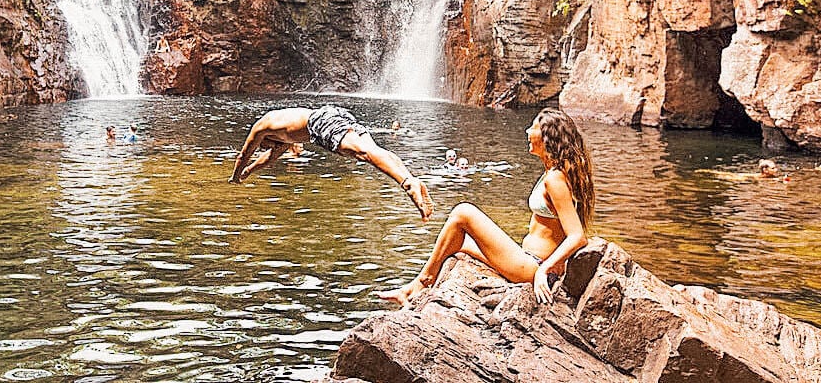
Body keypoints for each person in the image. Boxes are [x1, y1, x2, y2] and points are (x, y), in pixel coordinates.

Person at [377, 108, 594, 307]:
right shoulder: (553, 172)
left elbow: (577, 236)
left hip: (534, 266)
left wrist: (544, 271)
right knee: (457, 242)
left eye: (533, 128)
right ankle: (415, 287)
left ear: (548, 138)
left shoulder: (555, 179)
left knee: (463, 212)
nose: (527, 131)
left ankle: (417, 287)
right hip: (527, 257)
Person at [230, 105, 434, 221]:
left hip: (319, 123)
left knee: (364, 154)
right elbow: (270, 158)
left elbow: (244, 154)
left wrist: (234, 176)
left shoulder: (260, 128)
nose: (266, 148)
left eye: (264, 146)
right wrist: (248, 172)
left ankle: (407, 184)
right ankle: (409, 177)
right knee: (372, 151)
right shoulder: (280, 128)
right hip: (334, 113)